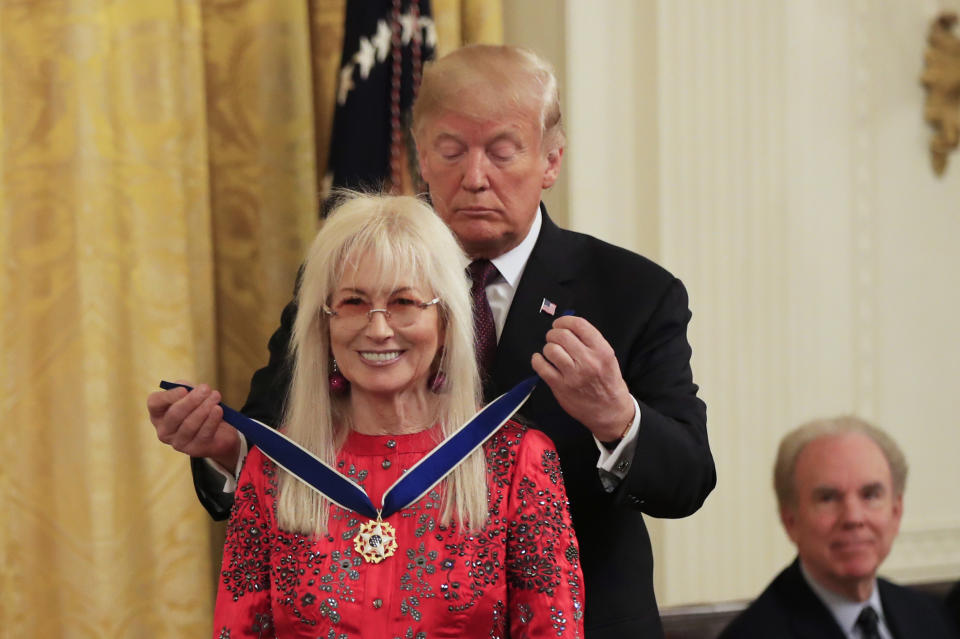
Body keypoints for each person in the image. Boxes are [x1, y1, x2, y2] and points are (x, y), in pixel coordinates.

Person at [149, 45, 715, 638]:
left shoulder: (631, 292)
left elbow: (688, 482)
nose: (474, 177)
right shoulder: (351, 276)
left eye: (501, 151)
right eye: (451, 151)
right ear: (421, 155)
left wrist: (617, 418)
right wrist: (222, 448)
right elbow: (284, 439)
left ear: (551, 160)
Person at [208, 193, 584, 637]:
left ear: (445, 323)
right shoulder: (274, 468)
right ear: (323, 325)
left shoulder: (517, 461)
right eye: (352, 302)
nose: (379, 327)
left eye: (404, 302)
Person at [719, 416, 959, 639]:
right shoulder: (754, 633)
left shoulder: (932, 615)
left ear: (896, 511)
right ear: (790, 520)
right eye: (828, 498)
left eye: (870, 495)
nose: (853, 518)